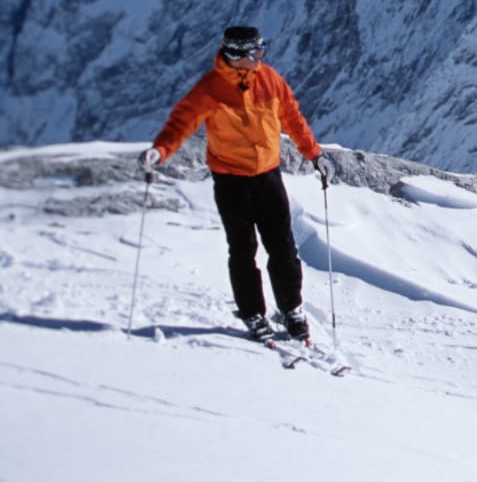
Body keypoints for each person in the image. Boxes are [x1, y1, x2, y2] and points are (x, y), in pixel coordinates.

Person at [141, 24, 333, 343]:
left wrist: (315, 154)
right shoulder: (211, 88)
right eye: (256, 52)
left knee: (283, 247)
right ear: (237, 55)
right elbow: (182, 122)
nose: (261, 57)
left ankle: (292, 309)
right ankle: (253, 314)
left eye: (261, 51)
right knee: (243, 250)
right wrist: (160, 150)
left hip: (268, 176)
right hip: (230, 180)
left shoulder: (270, 81)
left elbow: (293, 119)